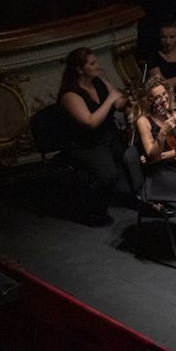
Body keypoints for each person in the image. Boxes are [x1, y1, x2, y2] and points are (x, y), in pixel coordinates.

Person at [56, 47, 126, 223]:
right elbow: (90, 122)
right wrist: (110, 100)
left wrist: (130, 99)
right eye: (92, 63)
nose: (98, 66)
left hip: (108, 136)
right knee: (109, 175)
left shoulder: (99, 81)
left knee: (134, 158)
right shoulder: (70, 95)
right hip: (86, 144)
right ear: (80, 69)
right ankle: (93, 210)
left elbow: (118, 104)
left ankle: (145, 199)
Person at [134, 75, 176, 206]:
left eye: (164, 94)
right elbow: (153, 157)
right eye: (157, 97)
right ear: (149, 101)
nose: (163, 99)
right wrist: (162, 133)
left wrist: (166, 154)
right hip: (161, 171)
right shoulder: (143, 121)